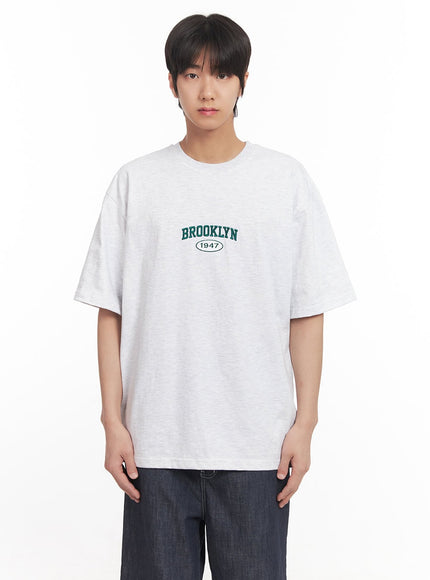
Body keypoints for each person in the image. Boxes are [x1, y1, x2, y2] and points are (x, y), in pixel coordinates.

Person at [73, 12, 357, 580]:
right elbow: (110, 311)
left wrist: (306, 423)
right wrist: (112, 422)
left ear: (243, 81)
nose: (207, 90)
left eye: (222, 74)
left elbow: (307, 312)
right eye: (192, 73)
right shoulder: (136, 183)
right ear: (172, 82)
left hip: (257, 449)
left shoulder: (285, 181)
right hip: (155, 448)